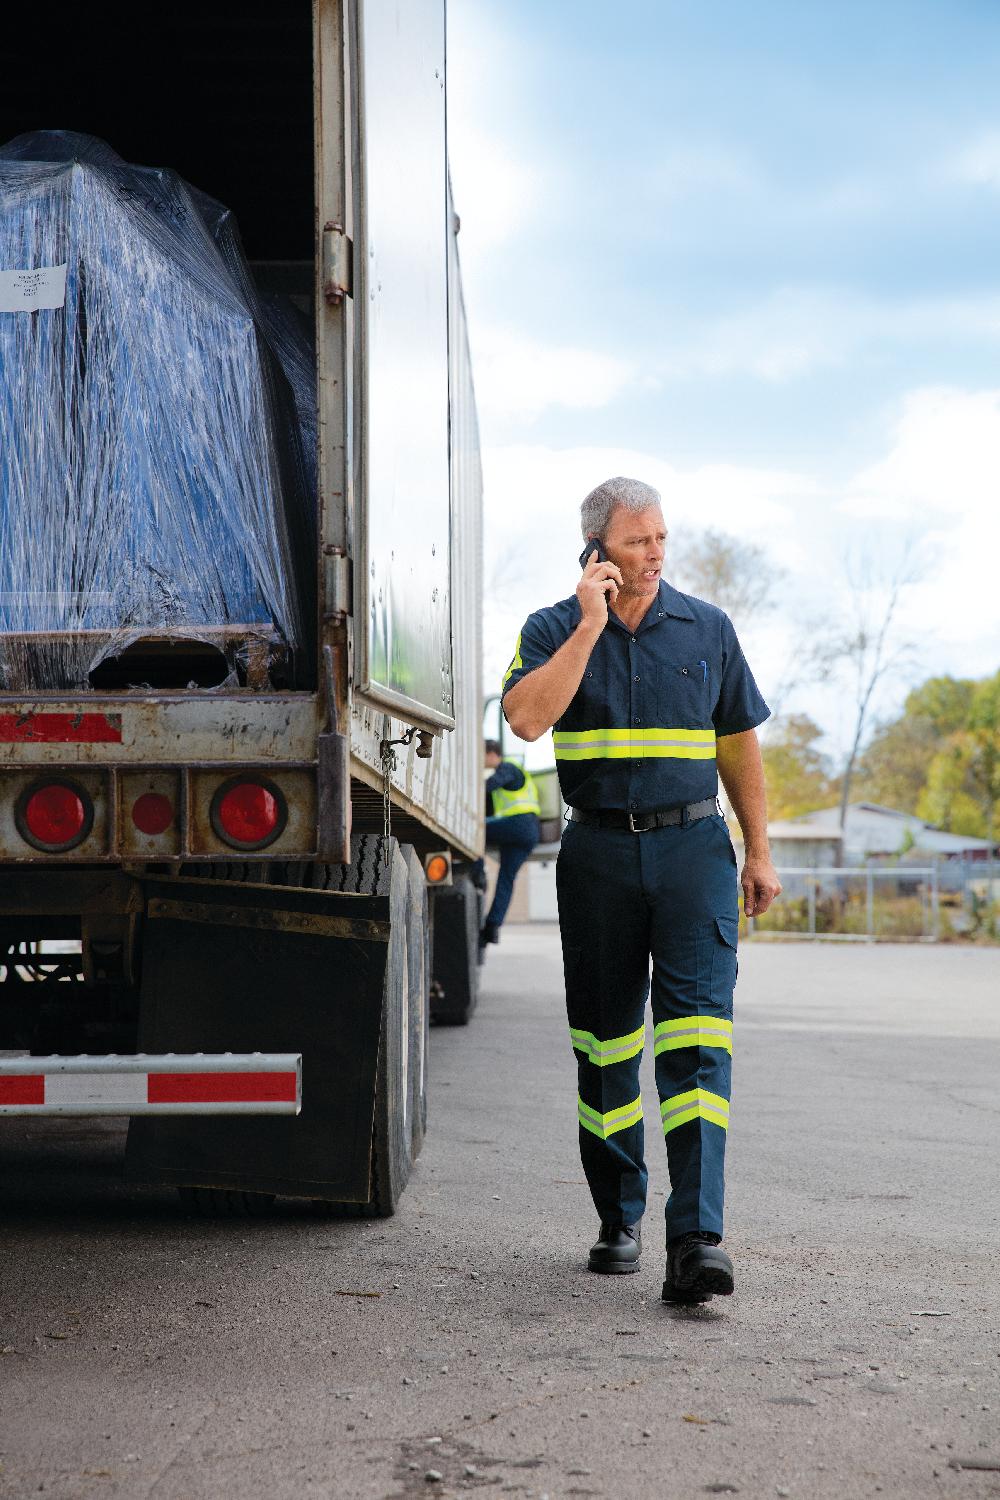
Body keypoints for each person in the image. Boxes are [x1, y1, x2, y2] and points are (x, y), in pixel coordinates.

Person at [501, 476, 781, 1305]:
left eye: (661, 538)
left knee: (696, 1046)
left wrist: (758, 850)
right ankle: (618, 1216)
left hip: (694, 849)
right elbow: (524, 720)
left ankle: (696, 1240)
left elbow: (739, 746)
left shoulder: (708, 628)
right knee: (607, 1047)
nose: (656, 553)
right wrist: (589, 626)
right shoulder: (552, 630)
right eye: (637, 542)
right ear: (596, 550)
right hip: (597, 859)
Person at [474, 739, 541, 950]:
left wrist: (473, 786)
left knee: (476, 830)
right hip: (528, 833)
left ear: (492, 753)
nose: (481, 761)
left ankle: (478, 875)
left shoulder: (509, 767)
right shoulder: (513, 774)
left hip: (518, 825)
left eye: (482, 756)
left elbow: (490, 785)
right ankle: (492, 927)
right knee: (506, 879)